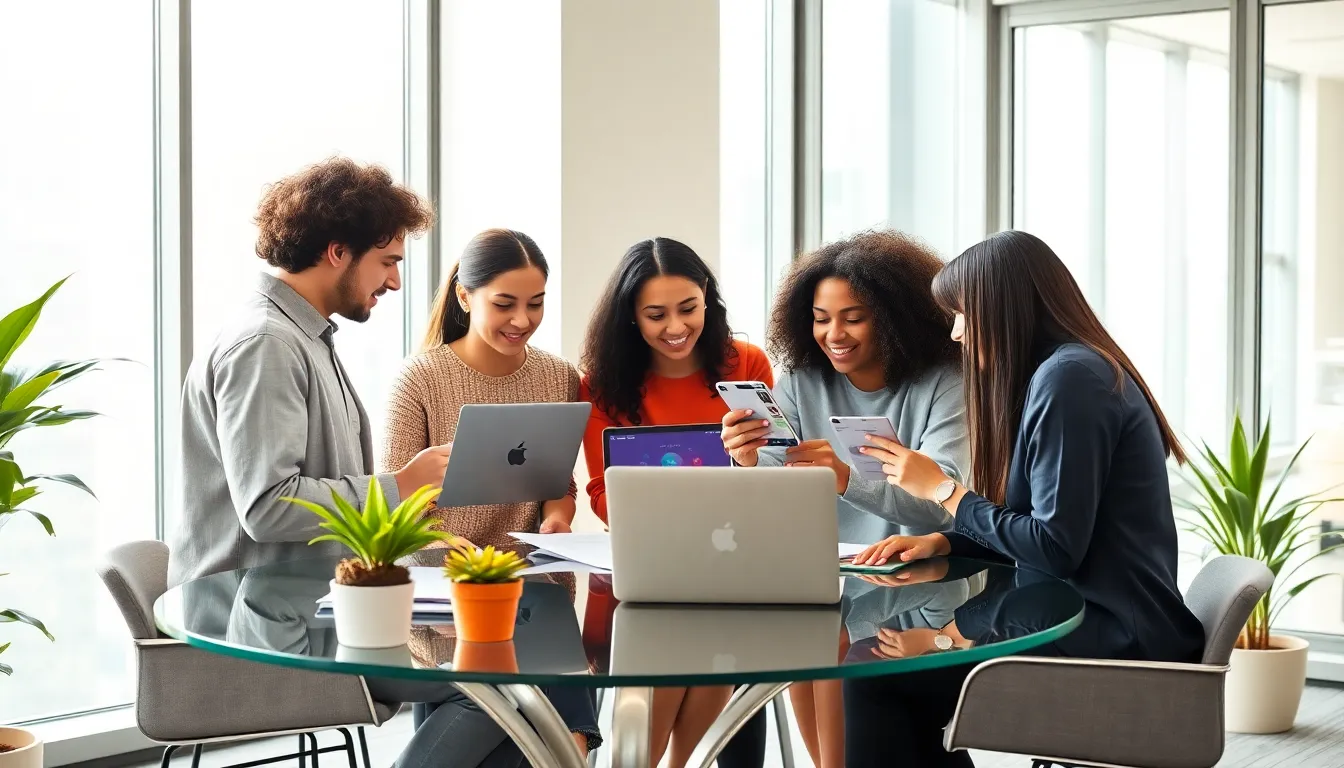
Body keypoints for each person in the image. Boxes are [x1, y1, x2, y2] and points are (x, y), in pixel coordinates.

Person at [847, 230, 1206, 767]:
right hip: (1088, 617)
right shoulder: (1068, 372)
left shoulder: (1070, 381)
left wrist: (942, 492)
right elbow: (1049, 528)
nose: (957, 332)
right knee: (896, 677)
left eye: (962, 313)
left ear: (1003, 307)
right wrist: (942, 539)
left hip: (1108, 640)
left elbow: (1056, 548)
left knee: (877, 681)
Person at [719, 229, 970, 768]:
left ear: (894, 314)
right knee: (807, 651)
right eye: (820, 317)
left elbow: (947, 499)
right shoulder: (800, 380)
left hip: (925, 598)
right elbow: (771, 490)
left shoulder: (945, 381)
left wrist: (845, 479)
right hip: (823, 590)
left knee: (842, 684)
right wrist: (745, 461)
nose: (834, 333)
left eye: (853, 317)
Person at [169, 156, 446, 588]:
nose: (394, 281)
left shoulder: (302, 336)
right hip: (246, 630)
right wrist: (402, 485)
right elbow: (270, 508)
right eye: (387, 262)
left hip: (290, 612)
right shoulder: (268, 345)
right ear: (338, 252)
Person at [379, 228, 601, 761]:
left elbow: (557, 485)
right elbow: (393, 508)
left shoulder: (557, 377)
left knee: (553, 743)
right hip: (448, 598)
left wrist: (557, 518)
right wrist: (462, 553)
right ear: (464, 296)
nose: (522, 320)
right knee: (544, 739)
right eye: (505, 304)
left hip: (537, 595)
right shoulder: (420, 379)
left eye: (536, 303)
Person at [579, 237, 773, 768]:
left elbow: (776, 472)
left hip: (732, 562)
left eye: (688, 308)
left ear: (707, 297)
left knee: (712, 643)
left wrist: (752, 460)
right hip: (646, 571)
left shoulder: (747, 364)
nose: (676, 327)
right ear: (631, 318)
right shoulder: (601, 385)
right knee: (669, 651)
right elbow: (603, 494)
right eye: (655, 314)